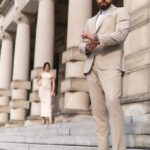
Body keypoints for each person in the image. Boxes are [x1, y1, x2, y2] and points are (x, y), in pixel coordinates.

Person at [79, 0, 130, 150]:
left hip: (111, 65)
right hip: (91, 66)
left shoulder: (121, 12)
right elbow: (81, 43)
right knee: (98, 113)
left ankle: (119, 147)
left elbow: (121, 35)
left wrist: (96, 38)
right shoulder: (90, 21)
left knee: (113, 101)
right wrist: (86, 48)